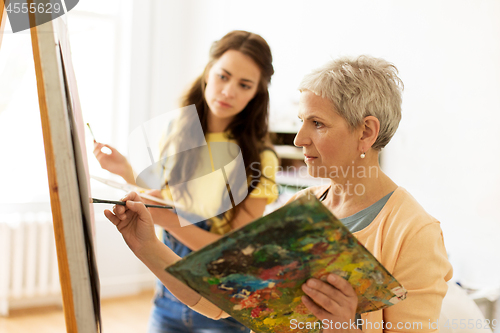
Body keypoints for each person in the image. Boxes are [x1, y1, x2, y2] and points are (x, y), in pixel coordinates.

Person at [105, 55, 453, 333]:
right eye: (301, 121)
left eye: (316, 123)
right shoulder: (300, 208)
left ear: (366, 131)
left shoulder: (414, 233)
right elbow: (219, 300)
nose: (299, 139)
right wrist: (146, 244)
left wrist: (344, 328)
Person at [95, 30, 279, 333]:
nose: (229, 91)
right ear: (208, 72)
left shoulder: (261, 158)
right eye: (223, 76)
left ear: (256, 93)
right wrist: (125, 172)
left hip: (223, 306)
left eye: (244, 85)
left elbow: (232, 251)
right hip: (168, 298)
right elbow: (159, 202)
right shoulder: (178, 130)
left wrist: (169, 219)